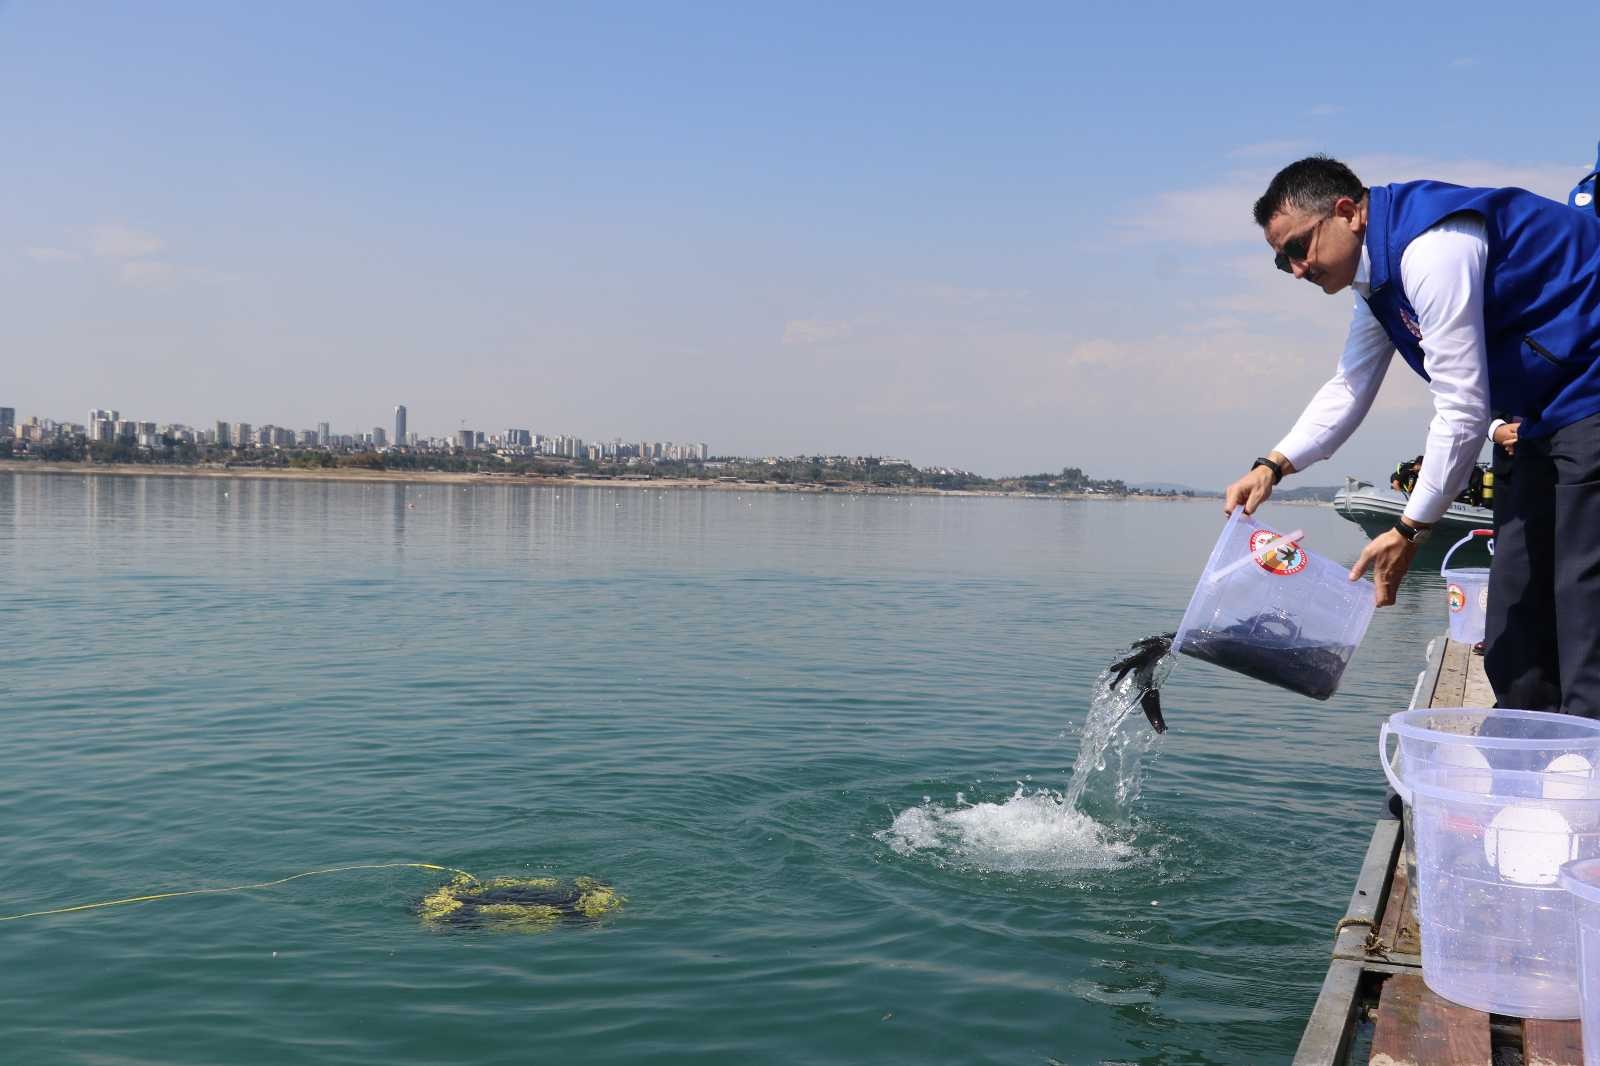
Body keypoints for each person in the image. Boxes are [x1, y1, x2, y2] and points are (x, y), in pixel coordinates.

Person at [1223, 155, 1600, 718]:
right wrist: (1272, 465)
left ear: (1347, 213)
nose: (1296, 270)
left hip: (1590, 389)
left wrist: (1410, 528)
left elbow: (1462, 410)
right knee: (1514, 609)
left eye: (1298, 248)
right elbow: (1349, 385)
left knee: (1583, 595)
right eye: (1283, 262)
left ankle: (1586, 746)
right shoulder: (1377, 283)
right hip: (1537, 413)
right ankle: (1526, 736)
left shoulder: (1431, 249)